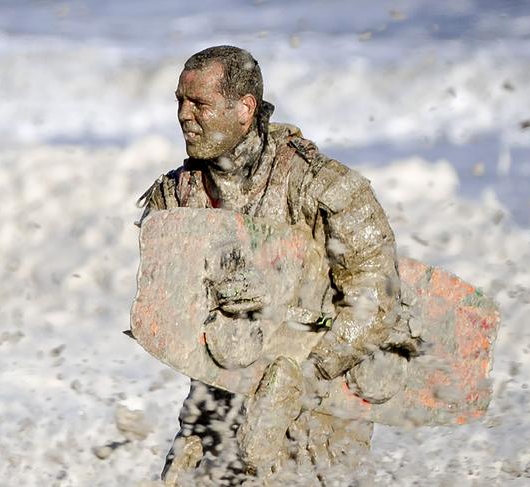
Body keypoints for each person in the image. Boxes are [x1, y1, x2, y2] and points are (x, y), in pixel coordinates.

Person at [137, 45, 417, 486]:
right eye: (180, 101)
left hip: (318, 400)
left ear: (244, 109)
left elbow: (376, 296)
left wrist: (305, 375)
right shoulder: (176, 198)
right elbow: (170, 312)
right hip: (222, 389)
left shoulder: (321, 186)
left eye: (199, 104)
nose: (184, 115)